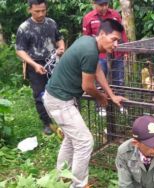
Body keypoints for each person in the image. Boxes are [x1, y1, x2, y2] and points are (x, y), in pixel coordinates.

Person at [43, 19, 126, 188]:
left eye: (119, 40)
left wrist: (111, 94)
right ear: (102, 34)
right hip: (59, 101)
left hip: (58, 98)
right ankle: (79, 185)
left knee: (72, 140)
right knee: (85, 141)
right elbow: (87, 86)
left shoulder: (89, 42)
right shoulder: (90, 51)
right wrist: (101, 98)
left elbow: (97, 71)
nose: (116, 44)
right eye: (113, 39)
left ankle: (61, 178)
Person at [15, 0, 65, 135]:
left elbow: (59, 38)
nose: (41, 14)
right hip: (35, 63)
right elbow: (20, 50)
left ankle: (62, 119)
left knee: (58, 90)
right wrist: (34, 64)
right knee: (40, 95)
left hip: (53, 61)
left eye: (43, 10)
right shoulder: (24, 28)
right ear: (30, 10)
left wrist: (61, 48)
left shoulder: (51, 23)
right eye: (37, 11)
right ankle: (47, 123)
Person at [82, 0, 128, 85]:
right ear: (94, 4)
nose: (104, 7)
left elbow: (122, 33)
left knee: (119, 81)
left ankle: (116, 96)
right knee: (100, 82)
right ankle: (101, 97)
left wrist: (125, 51)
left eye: (106, 4)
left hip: (116, 52)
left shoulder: (115, 15)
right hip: (99, 55)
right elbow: (86, 38)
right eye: (101, 5)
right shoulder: (88, 18)